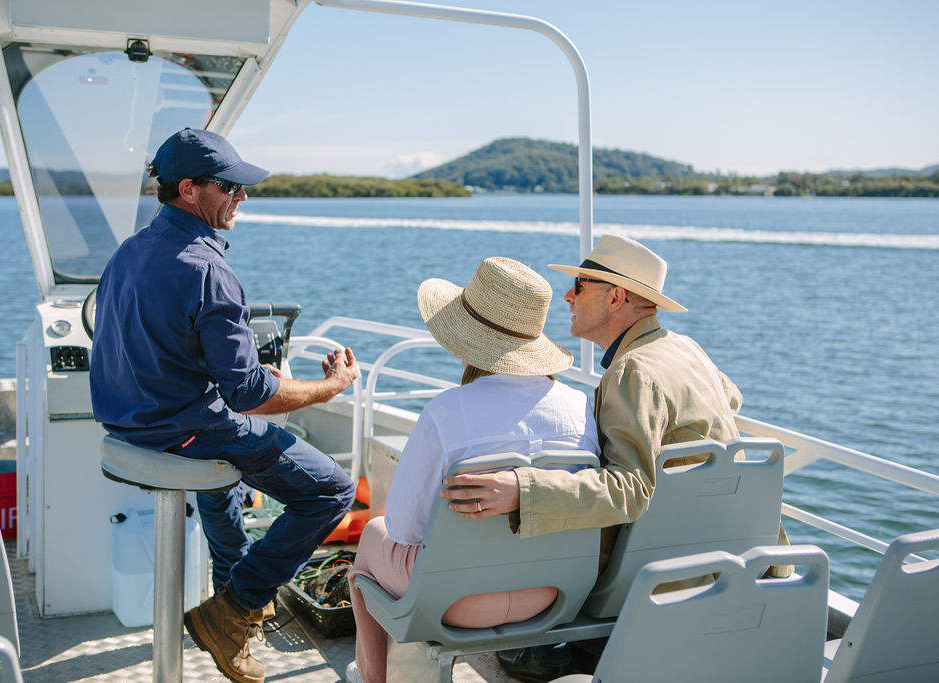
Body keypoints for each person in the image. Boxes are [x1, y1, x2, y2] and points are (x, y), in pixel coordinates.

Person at [439, 235, 789, 680]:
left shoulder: (632, 371)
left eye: (580, 285)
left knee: (529, 507)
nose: (568, 295)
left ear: (616, 297)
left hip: (647, 570)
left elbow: (630, 490)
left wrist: (521, 489)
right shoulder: (684, 348)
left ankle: (553, 644)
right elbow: (730, 399)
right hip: (720, 552)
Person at [89, 128, 358, 683]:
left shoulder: (129, 251)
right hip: (180, 433)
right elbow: (250, 394)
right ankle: (232, 611)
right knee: (332, 489)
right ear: (188, 189)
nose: (242, 196)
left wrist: (258, 377)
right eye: (230, 185)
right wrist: (328, 388)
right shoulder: (209, 270)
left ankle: (239, 597)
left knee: (229, 475)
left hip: (127, 426)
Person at [346, 257, 600, 683]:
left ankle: (373, 677)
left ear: (468, 336)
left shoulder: (446, 412)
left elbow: (405, 529)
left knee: (375, 534)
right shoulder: (582, 409)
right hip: (550, 596)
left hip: (453, 603)